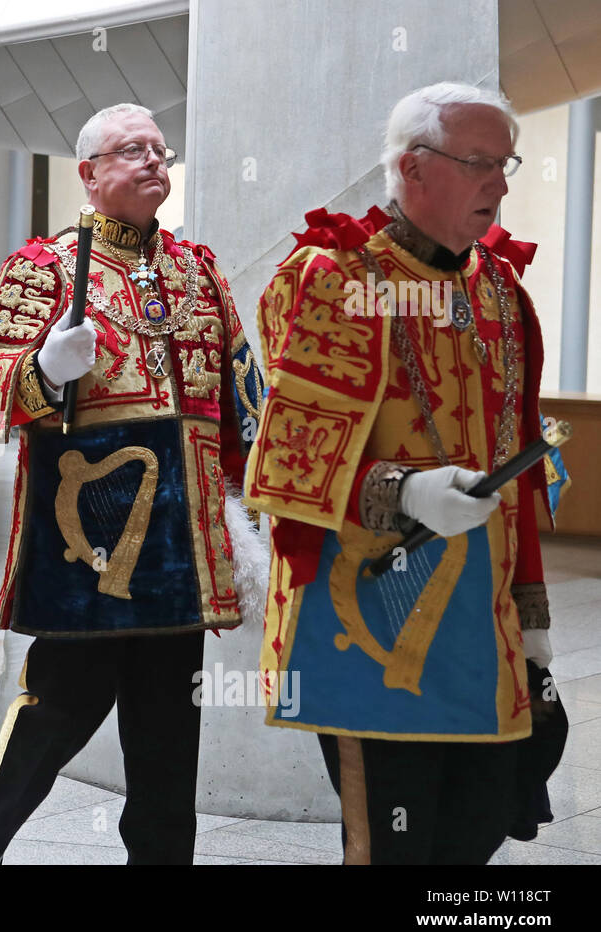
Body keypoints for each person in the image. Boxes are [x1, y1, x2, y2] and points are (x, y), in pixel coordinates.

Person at [242, 82, 557, 864]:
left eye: (506, 162)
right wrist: (406, 491)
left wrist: (535, 622)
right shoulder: (332, 276)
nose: (502, 183)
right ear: (413, 169)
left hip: (485, 624)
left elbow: (519, 464)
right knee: (394, 844)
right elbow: (283, 461)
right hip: (368, 615)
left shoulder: (498, 286)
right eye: (481, 162)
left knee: (481, 822)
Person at [0, 103, 265, 864]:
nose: (154, 160)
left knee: (168, 745)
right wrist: (44, 371)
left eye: (160, 148)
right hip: (86, 547)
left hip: (180, 552)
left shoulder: (199, 268)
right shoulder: (44, 267)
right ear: (88, 175)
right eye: (131, 151)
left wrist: (266, 498)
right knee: (51, 720)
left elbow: (245, 394)